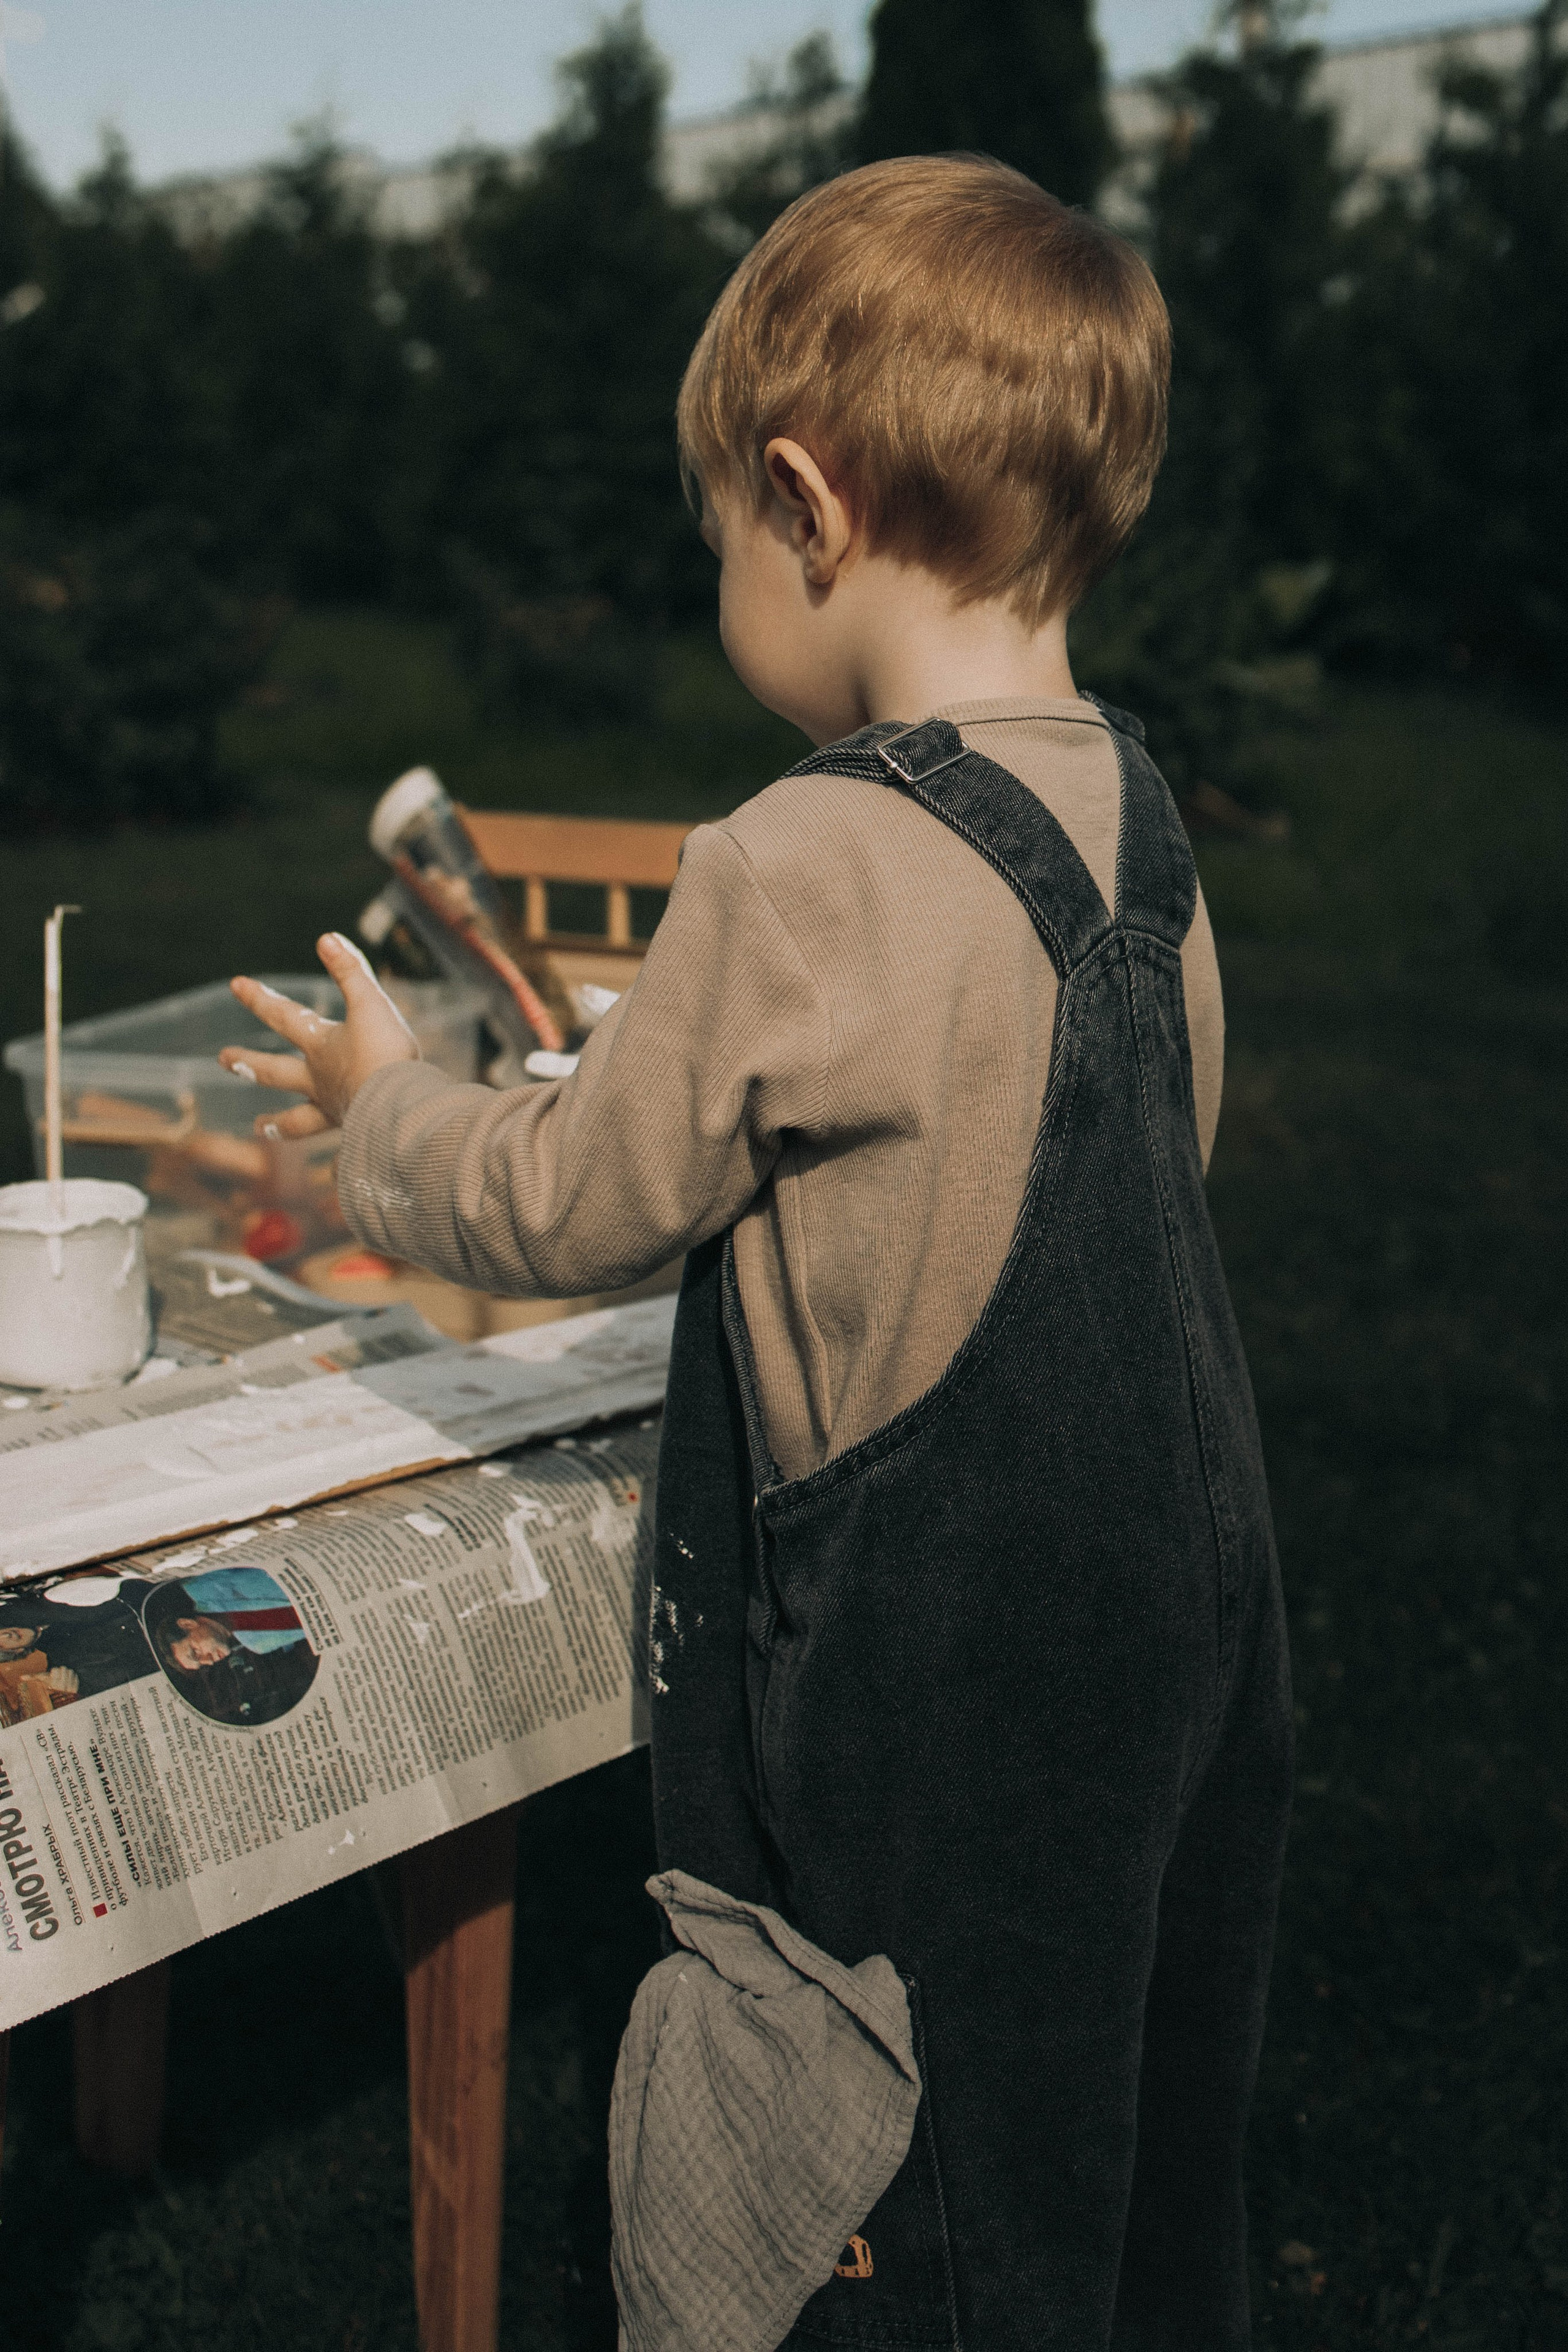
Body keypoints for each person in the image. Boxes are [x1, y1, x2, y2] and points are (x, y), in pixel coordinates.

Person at [223, 155, 1292, 2351]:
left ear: (803, 505)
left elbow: (566, 1199)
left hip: (942, 1669)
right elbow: (1149, 1141)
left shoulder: (798, 858)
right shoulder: (1137, 809)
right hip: (1183, 1618)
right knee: (1116, 2093)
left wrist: (378, 1116)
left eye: (721, 526)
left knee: (888, 2143)